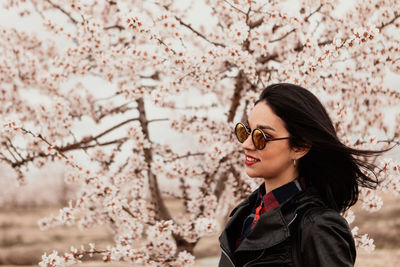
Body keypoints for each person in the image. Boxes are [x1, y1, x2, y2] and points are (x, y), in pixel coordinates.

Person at [218, 83, 393, 267]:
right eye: (245, 131)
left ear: (299, 147)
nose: (246, 144)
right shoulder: (244, 215)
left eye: (262, 136)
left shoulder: (318, 227)